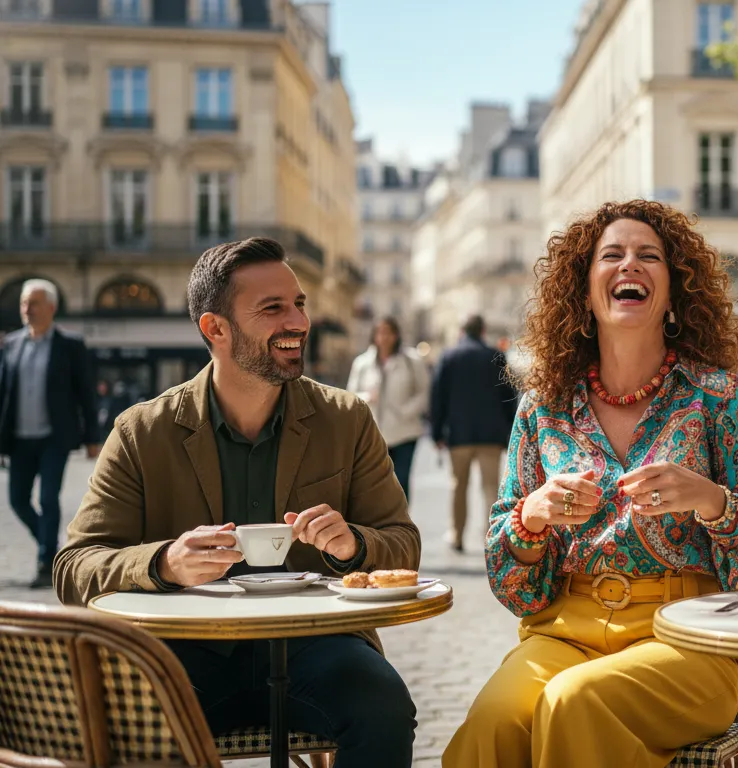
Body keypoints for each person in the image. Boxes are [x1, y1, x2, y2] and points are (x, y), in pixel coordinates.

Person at [442, 200, 738, 768]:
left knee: (574, 703)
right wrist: (531, 516)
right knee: (494, 721)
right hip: (564, 631)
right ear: (583, 292)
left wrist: (710, 499)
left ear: (674, 292)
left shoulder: (718, 395)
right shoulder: (542, 407)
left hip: (690, 636)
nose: (630, 265)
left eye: (648, 256)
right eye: (612, 255)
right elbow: (513, 587)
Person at [53, 237, 422, 767]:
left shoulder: (346, 418)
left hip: (315, 645)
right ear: (215, 328)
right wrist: (163, 562)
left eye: (299, 304)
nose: (297, 321)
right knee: (133, 722)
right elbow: (74, 569)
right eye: (273, 308)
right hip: (185, 649)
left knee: (381, 704)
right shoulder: (141, 431)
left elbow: (403, 545)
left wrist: (353, 544)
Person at [0, 278, 100, 589]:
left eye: (34, 303)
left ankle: (46, 562)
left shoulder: (70, 345)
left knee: (48, 498)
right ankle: (51, 545)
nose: (27, 309)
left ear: (52, 308)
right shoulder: (12, 345)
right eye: (24, 304)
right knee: (17, 500)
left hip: (54, 438)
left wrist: (93, 436)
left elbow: (86, 393)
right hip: (18, 439)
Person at [430, 314, 516, 553]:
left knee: (459, 486)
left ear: (462, 331)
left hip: (459, 434)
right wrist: (511, 429)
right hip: (491, 433)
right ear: (483, 330)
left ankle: (457, 535)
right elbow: (508, 395)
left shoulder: (449, 356)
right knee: (490, 487)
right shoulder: (495, 356)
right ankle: (491, 537)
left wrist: (437, 431)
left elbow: (438, 397)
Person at [347, 316, 430, 501]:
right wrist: (366, 397)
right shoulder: (362, 363)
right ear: (374, 336)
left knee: (400, 483)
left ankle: (402, 526)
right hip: (373, 434)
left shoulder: (412, 361)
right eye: (380, 332)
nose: (384, 337)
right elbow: (350, 396)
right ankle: (376, 528)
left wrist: (406, 411)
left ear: (396, 335)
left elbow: (424, 392)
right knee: (372, 484)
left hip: (404, 433)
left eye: (388, 332)